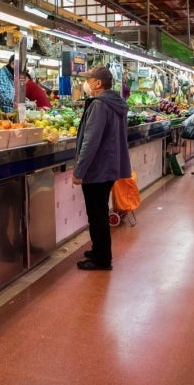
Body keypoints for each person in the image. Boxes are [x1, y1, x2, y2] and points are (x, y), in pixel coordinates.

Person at [73, 66, 132, 271]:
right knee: (99, 211)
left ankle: (102, 259)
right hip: (109, 166)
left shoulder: (99, 105)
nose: (87, 84)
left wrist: (79, 170)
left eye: (89, 80)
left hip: (97, 168)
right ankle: (99, 250)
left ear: (98, 83)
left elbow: (90, 141)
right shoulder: (117, 103)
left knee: (96, 213)